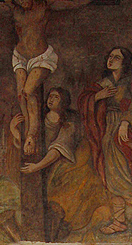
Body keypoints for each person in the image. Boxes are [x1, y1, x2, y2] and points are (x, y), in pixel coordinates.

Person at [0, 0, 114, 157]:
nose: (22, 0)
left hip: (41, 57)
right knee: (21, 96)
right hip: (20, 56)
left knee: (28, 93)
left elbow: (72, 3)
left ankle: (31, 135)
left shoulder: (45, 5)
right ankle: (28, 130)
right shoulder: (14, 10)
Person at [78, 46, 132, 235]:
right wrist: (98, 96)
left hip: (126, 133)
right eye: (110, 56)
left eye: (116, 57)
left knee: (126, 175)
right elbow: (84, 100)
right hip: (107, 131)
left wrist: (125, 121)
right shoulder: (103, 84)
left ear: (125, 62)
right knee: (112, 177)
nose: (111, 60)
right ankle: (120, 221)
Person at [17, 87, 108, 236]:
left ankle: (62, 227)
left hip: (69, 162)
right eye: (50, 96)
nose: (51, 100)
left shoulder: (70, 122)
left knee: (63, 192)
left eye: (56, 97)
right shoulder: (39, 119)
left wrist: (37, 167)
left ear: (64, 102)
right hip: (47, 162)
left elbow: (59, 149)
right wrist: (14, 130)